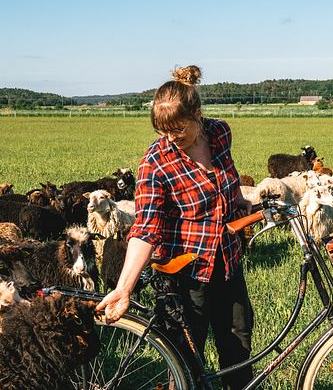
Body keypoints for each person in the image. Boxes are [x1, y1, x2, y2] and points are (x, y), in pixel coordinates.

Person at [96, 65, 254, 389]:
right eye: (164, 131)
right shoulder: (155, 162)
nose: (172, 137)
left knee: (238, 347)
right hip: (186, 275)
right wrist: (124, 288)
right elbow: (145, 228)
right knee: (186, 361)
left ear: (197, 114)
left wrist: (238, 199)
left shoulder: (220, 132)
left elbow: (228, 173)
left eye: (179, 129)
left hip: (227, 262)